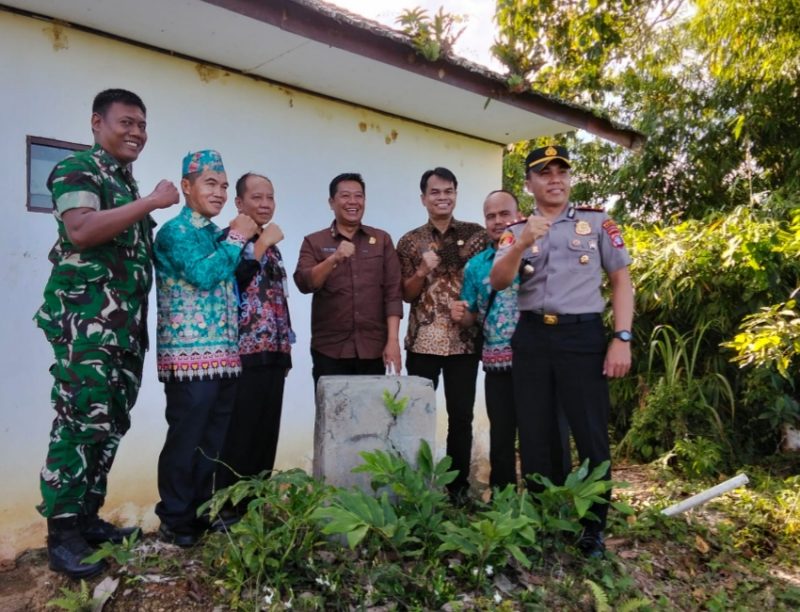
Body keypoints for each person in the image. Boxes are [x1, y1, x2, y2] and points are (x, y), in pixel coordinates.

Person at [34, 88, 179, 579]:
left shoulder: (121, 181)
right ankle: (62, 531)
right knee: (80, 420)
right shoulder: (80, 170)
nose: (136, 132)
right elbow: (82, 230)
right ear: (98, 122)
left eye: (142, 124)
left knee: (110, 421)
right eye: (127, 122)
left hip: (121, 328)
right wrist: (153, 202)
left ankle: (89, 518)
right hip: (86, 323)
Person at [490, 145, 633, 558]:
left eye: (561, 171)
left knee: (590, 432)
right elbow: (499, 282)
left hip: (582, 337)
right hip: (532, 337)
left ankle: (593, 528)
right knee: (535, 432)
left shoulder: (597, 222)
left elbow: (622, 282)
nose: (555, 179)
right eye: (545, 172)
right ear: (529, 183)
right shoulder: (516, 230)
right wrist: (521, 244)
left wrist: (621, 338)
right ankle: (544, 517)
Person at [153, 150, 258, 547]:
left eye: (224, 185)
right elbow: (204, 273)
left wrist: (233, 238)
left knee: (211, 441)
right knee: (186, 437)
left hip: (225, 356)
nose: (219, 192)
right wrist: (236, 236)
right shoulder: (174, 233)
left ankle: (198, 514)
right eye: (210, 184)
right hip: (187, 358)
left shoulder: (214, 235)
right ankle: (175, 519)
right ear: (186, 187)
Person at [396, 167, 489, 499]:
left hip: (464, 341)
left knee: (461, 417)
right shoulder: (410, 241)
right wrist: (422, 269)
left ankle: (457, 487)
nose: (442, 197)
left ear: (456, 194)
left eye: (448, 191)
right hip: (422, 341)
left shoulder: (478, 236)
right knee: (415, 417)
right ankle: (415, 487)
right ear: (423, 198)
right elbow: (405, 293)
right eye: (435, 192)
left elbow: (486, 282)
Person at [217, 173, 294, 500]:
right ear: (239, 202)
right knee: (239, 435)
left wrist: (286, 351)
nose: (265, 204)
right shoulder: (228, 240)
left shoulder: (272, 249)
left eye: (270, 197)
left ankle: (253, 507)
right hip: (242, 357)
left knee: (265, 435)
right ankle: (227, 508)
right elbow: (230, 282)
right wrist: (260, 244)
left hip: (274, 356)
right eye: (257, 197)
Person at [293, 173, 403, 383]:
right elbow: (305, 283)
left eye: (358, 196)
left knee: (372, 413)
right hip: (329, 350)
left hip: (373, 348)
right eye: (345, 196)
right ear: (331, 202)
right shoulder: (314, 242)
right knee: (332, 414)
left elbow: (393, 293)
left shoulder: (382, 240)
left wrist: (392, 341)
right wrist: (333, 259)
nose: (353, 202)